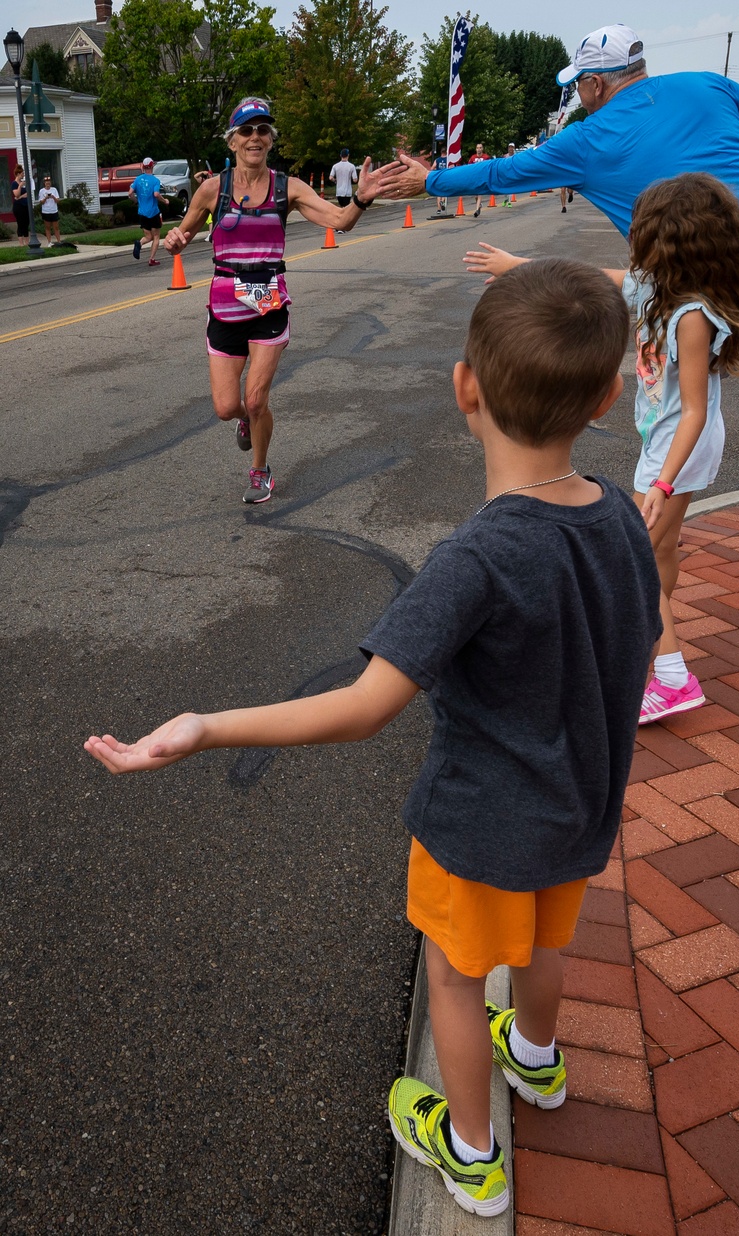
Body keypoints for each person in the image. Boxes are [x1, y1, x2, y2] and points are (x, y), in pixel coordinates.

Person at [84, 257, 662, 1219]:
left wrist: (205, 726)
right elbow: (635, 643)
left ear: (463, 386)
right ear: (607, 397)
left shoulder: (478, 555)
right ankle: (540, 1061)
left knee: (457, 968)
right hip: (580, 806)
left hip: (479, 824)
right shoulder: (618, 518)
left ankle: (471, 1150)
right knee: (547, 939)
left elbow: (363, 705)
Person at [381, 22, 739, 474]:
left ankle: (661, 497)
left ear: (594, 83)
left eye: (580, 86)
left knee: (673, 390)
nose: (580, 96)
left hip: (683, 274)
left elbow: (502, 174)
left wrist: (428, 180)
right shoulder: (707, 86)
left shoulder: (582, 140)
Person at [465, 173, 739, 722]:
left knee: (635, 559)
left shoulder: (692, 315)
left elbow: (694, 409)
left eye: (639, 229)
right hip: (668, 444)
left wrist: (664, 480)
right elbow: (598, 279)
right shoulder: (658, 290)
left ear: (666, 240)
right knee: (661, 552)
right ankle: (651, 648)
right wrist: (518, 267)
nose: (632, 238)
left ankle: (672, 677)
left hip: (679, 449)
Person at [163, 97, 399, 504]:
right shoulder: (211, 189)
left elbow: (339, 221)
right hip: (224, 306)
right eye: (247, 130)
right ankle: (246, 422)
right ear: (233, 140)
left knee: (256, 399)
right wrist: (174, 240)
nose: (255, 137)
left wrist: (360, 199)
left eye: (263, 130)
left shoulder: (287, 187)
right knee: (226, 407)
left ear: (270, 140)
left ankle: (260, 470)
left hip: (269, 303)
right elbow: (181, 236)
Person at [129, 157, 169, 266]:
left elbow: (130, 193)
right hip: (153, 212)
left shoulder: (138, 179)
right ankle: (151, 259)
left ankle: (139, 243)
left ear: (143, 166)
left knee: (148, 236)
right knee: (156, 236)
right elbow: (156, 194)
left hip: (142, 212)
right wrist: (164, 200)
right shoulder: (155, 180)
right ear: (152, 166)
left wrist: (136, 201)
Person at [37, 175, 61, 245]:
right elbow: (41, 202)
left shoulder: (54, 190)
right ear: (44, 183)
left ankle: (59, 241)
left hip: (54, 211)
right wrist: (46, 198)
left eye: (49, 182)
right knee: (47, 227)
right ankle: (49, 242)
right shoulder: (42, 191)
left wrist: (53, 196)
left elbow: (57, 201)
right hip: (46, 211)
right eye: (46, 182)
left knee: (56, 227)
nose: (48, 183)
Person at [468, 143, 490, 217]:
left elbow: (489, 167)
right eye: (478, 148)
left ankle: (477, 210)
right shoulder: (473, 157)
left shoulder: (486, 157)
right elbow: (469, 167)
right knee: (476, 195)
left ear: (482, 149)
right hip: (475, 178)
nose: (479, 149)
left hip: (482, 178)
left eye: (480, 148)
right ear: (476, 149)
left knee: (479, 193)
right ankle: (479, 205)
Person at [11, 164, 30, 245]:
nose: (23, 175)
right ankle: (21, 244)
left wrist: (21, 196)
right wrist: (19, 187)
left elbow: (27, 194)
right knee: (21, 223)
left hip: (25, 205)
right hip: (18, 207)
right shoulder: (14, 184)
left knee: (26, 223)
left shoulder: (23, 183)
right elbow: (16, 195)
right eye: (22, 173)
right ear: (18, 174)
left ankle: (27, 242)